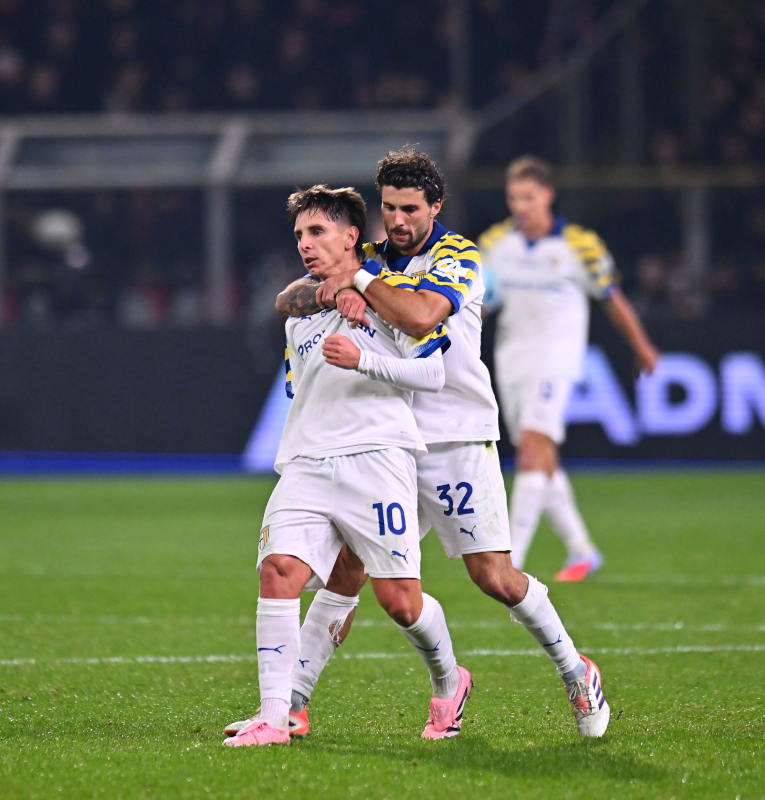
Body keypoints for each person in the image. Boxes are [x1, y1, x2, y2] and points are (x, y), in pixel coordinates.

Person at [230, 148, 609, 741]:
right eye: (389, 209)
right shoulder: (375, 257)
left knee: (493, 576)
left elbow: (421, 314)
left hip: (453, 435)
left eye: (411, 209)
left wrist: (357, 282)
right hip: (382, 441)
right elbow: (289, 299)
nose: (399, 221)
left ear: (435, 206)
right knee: (348, 575)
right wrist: (335, 291)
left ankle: (574, 668)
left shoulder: (456, 255)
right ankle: (291, 704)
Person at [225, 185, 464, 748]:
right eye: (300, 235)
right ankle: (274, 716)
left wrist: (367, 359)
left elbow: (434, 375)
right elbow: (287, 304)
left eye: (317, 232)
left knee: (400, 601)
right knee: (278, 570)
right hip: (306, 459)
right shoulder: (302, 305)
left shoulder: (394, 297)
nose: (305, 244)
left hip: (377, 459)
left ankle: (450, 680)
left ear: (352, 236)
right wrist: (327, 296)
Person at [480, 156, 659, 580]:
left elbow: (611, 298)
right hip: (511, 359)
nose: (520, 205)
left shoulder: (580, 244)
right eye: (513, 197)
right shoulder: (495, 243)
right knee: (541, 456)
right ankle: (582, 549)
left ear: (548, 194)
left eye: (528, 196)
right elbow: (479, 302)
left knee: (530, 450)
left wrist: (642, 346)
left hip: (556, 359)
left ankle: (511, 562)